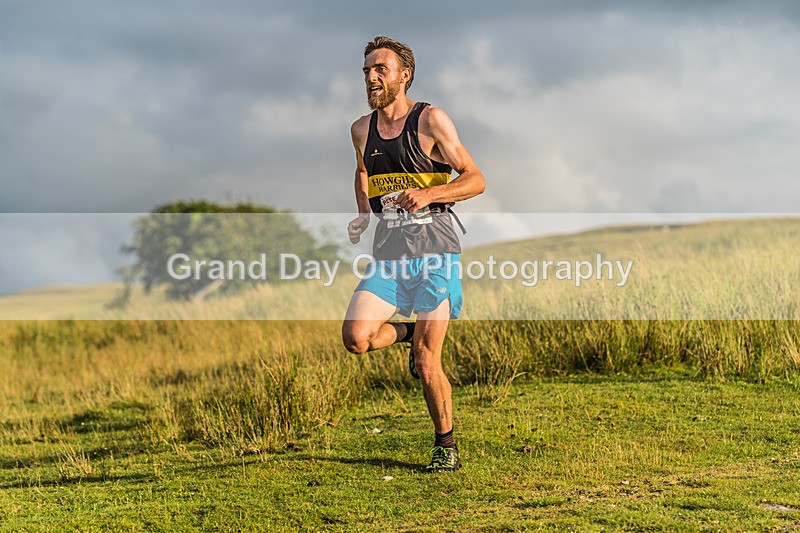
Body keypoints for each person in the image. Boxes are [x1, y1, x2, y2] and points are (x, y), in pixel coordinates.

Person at [341, 36, 485, 473]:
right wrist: (363, 214)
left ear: (404, 75)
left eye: (380, 69)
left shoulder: (430, 120)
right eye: (367, 70)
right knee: (356, 339)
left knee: (426, 361)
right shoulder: (361, 129)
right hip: (389, 256)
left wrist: (430, 194)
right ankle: (407, 332)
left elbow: (475, 178)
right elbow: (362, 172)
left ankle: (446, 445)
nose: (371, 77)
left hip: (435, 253)